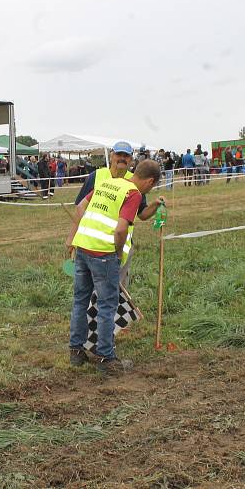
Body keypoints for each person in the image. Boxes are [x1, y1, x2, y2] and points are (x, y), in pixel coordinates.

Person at [66, 159, 161, 374]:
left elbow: (81, 206)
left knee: (80, 301)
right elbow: (120, 231)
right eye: (151, 187)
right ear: (149, 181)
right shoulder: (133, 194)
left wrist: (79, 234)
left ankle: (76, 351)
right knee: (107, 305)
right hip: (103, 253)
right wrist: (117, 254)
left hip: (83, 248)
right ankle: (106, 358)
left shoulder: (109, 183)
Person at [74, 141, 162, 287]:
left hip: (119, 244)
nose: (122, 158)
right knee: (100, 294)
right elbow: (80, 208)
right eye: (118, 154)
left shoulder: (137, 181)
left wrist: (155, 204)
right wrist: (74, 237)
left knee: (111, 291)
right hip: (97, 247)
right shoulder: (96, 177)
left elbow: (142, 214)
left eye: (126, 155)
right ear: (112, 155)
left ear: (131, 159)